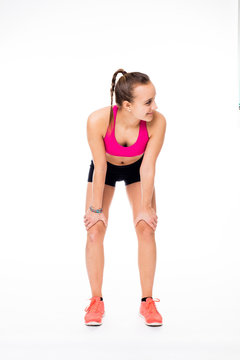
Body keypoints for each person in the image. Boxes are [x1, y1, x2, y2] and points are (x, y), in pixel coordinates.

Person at [83, 69, 167, 326]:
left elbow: (148, 166)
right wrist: (95, 210)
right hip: (105, 170)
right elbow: (100, 166)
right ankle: (96, 302)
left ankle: (147, 302)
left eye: (154, 99)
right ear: (128, 105)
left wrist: (145, 207)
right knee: (95, 230)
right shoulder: (98, 120)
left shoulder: (158, 122)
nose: (154, 106)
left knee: (146, 229)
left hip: (137, 169)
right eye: (148, 102)